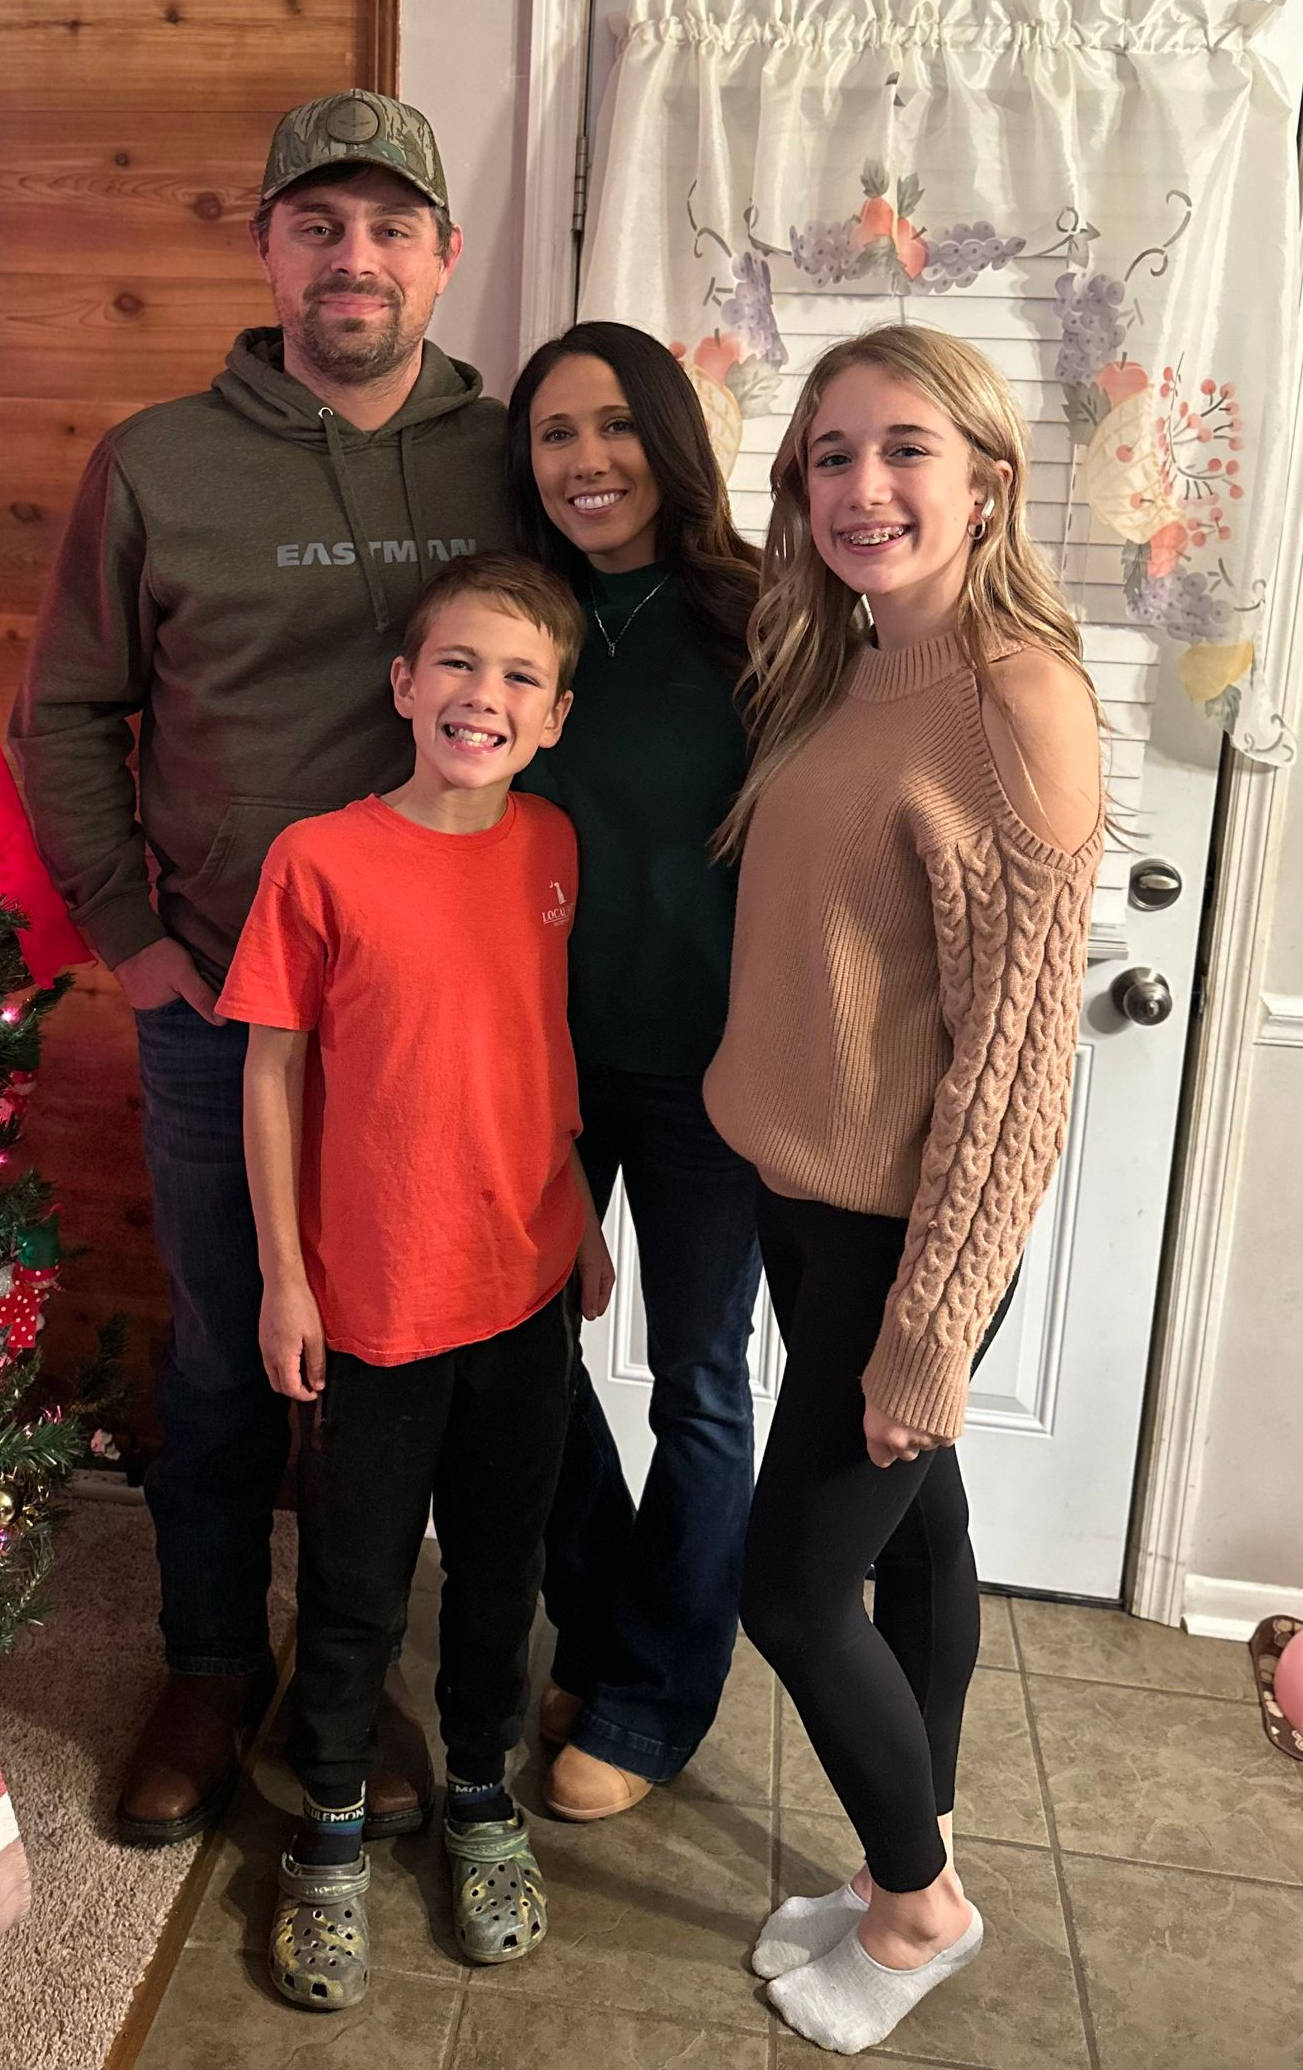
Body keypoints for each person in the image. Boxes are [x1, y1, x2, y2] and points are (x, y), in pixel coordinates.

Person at [10, 90, 514, 1845]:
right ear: (269, 251)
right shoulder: (159, 463)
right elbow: (69, 709)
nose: (353, 258)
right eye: (319, 224)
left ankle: (355, 1672)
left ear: (446, 256)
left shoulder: (509, 454)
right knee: (229, 1357)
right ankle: (214, 1667)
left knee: (399, 1366)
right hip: (220, 1009)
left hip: (448, 1027)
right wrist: (134, 950)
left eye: (390, 226)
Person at [705, 326, 1103, 2054]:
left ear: (986, 476)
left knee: (789, 1589)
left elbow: (1015, 1070)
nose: (861, 488)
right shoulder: (849, 667)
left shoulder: (1017, 696)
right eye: (828, 456)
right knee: (919, 1530)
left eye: (902, 450)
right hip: (810, 1203)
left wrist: (931, 1331)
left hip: (906, 1234)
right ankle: (907, 1859)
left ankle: (919, 1903)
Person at [218, 553, 615, 2012]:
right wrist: (285, 1280)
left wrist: (576, 1212)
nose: (482, 697)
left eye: (519, 677)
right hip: (375, 1300)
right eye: (457, 664)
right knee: (354, 1586)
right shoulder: (319, 859)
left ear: (557, 715)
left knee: (503, 1574)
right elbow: (271, 1069)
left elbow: (540, 1044)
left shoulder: (554, 847)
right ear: (403, 684)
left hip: (524, 1288)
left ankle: (479, 1796)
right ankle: (327, 1825)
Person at [504, 321, 764, 1819]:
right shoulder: (514, 619)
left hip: (717, 1076)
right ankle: (597, 1626)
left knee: (701, 1387)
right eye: (554, 434)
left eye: (613, 427)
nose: (587, 461)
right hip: (537, 1063)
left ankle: (658, 1696)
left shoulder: (762, 618)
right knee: (519, 1356)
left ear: (668, 439)